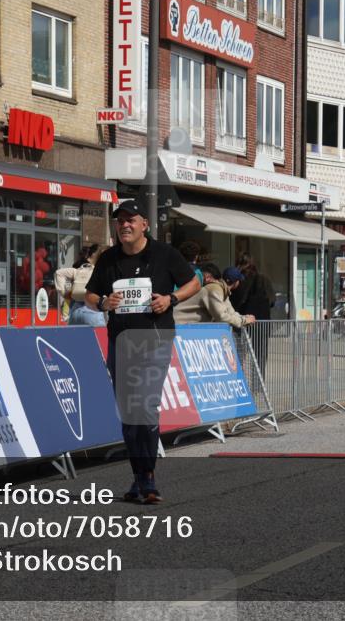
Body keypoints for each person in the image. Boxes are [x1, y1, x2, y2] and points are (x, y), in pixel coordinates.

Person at [85, 200, 201, 504]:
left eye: (130, 220)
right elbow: (90, 294)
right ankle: (139, 477)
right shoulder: (108, 259)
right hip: (121, 343)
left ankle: (148, 476)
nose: (124, 225)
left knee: (145, 405)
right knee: (128, 412)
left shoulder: (164, 254)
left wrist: (171, 299)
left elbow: (194, 282)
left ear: (144, 225)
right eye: (120, 221)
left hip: (155, 340)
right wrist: (102, 303)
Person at [174, 263, 254, 329]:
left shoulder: (223, 291)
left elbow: (230, 312)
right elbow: (221, 317)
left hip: (184, 326)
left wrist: (244, 317)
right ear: (236, 282)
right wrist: (243, 321)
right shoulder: (214, 289)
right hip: (178, 326)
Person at [56, 244, 106, 327]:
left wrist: (64, 293)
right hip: (93, 311)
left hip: (75, 311)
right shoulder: (100, 271)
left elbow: (59, 273)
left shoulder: (79, 270)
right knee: (101, 338)